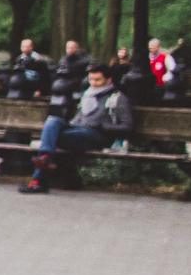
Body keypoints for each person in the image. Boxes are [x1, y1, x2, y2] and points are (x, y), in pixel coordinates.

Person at [18, 65, 134, 193]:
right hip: (77, 132)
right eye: (91, 79)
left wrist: (103, 126)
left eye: (98, 80)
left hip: (97, 136)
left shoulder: (118, 98)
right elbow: (77, 119)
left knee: (52, 138)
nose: (93, 83)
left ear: (108, 80)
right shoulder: (87, 95)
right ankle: (45, 157)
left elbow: (127, 126)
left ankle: (38, 179)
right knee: (53, 120)